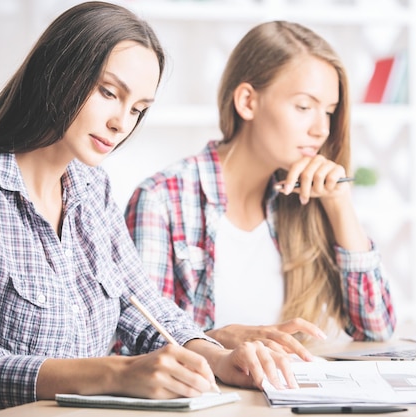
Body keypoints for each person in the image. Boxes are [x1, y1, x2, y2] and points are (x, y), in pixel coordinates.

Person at [0, 4, 294, 416]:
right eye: (109, 92)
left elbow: (141, 304)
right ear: (57, 72)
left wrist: (216, 358)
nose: (121, 123)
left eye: (137, 109)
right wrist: (116, 373)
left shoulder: (92, 188)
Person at [124, 20, 396, 359]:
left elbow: (377, 329)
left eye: (329, 111)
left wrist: (340, 205)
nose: (321, 129)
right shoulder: (162, 200)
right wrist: (217, 341)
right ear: (248, 102)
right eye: (304, 107)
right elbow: (137, 349)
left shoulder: (306, 200)